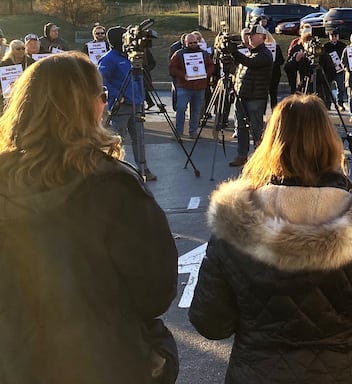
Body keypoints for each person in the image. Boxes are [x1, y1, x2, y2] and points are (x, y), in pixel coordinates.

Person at [189, 94, 352, 383]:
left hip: (258, 372)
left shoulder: (236, 222)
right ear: (330, 144)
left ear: (271, 144)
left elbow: (211, 322)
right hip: (344, 373)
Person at [0, 52, 178, 384]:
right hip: (102, 359)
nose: (106, 105)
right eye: (103, 96)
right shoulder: (114, 186)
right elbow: (157, 290)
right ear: (89, 106)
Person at [99, 26, 156, 181]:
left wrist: (142, 97)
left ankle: (143, 169)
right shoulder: (108, 59)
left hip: (137, 102)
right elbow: (103, 81)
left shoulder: (131, 56)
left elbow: (141, 76)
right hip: (121, 105)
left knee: (139, 137)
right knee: (117, 138)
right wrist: (119, 96)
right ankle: (114, 169)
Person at [228, 24, 273, 167]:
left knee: (256, 128)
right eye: (249, 35)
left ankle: (260, 157)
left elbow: (251, 63)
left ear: (262, 37)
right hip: (243, 96)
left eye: (253, 35)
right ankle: (242, 155)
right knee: (240, 126)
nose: (250, 37)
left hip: (256, 97)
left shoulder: (265, 54)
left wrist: (234, 52)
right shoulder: (250, 53)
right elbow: (240, 72)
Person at [168, 32, 215, 139]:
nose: (193, 44)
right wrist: (183, 75)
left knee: (196, 111)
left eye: (195, 42)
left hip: (199, 87)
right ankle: (178, 132)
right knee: (180, 109)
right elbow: (172, 68)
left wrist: (206, 74)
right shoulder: (178, 54)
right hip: (184, 86)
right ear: (185, 43)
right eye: (190, 43)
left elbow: (211, 66)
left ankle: (193, 132)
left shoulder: (204, 54)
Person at [323, 29, 348, 112]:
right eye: (332, 36)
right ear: (329, 37)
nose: (334, 37)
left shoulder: (343, 45)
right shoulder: (325, 46)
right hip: (329, 71)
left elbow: (346, 57)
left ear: (338, 36)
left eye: (335, 36)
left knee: (341, 88)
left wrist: (343, 65)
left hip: (340, 70)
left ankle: (340, 104)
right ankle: (328, 104)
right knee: (328, 88)